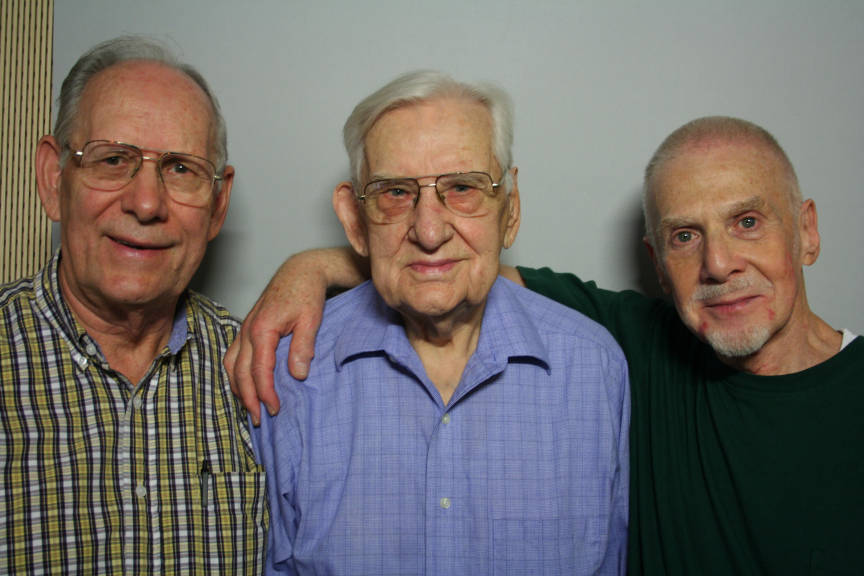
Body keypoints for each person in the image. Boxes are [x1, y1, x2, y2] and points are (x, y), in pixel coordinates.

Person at [228, 115, 863, 575]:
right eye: (683, 237)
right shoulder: (630, 348)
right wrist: (312, 266)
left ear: (806, 231)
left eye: (748, 222)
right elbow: (452, 264)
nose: (719, 264)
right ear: (658, 264)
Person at [250, 70, 630, 575]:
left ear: (510, 210)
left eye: (463, 187)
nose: (429, 231)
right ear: (353, 220)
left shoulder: (592, 369)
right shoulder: (288, 374)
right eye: (395, 193)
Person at [0, 37, 268, 574]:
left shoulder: (259, 371)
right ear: (54, 179)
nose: (146, 203)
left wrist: (321, 266)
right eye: (113, 159)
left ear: (218, 204)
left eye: (181, 169)